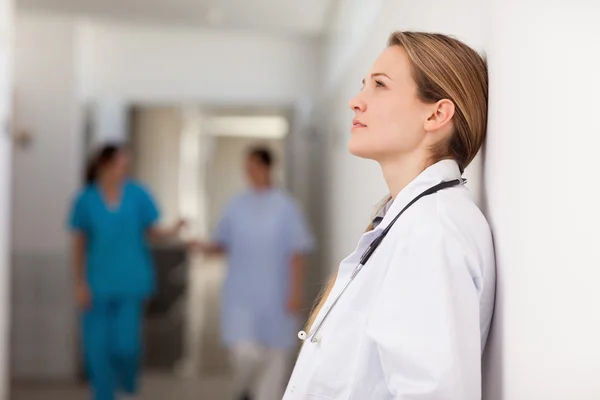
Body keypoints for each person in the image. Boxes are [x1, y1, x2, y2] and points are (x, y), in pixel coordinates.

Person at [284, 31, 495, 399]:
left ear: (437, 113)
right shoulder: (412, 219)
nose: (355, 101)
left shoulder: (433, 229)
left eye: (379, 85)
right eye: (363, 85)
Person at [193, 146, 314, 400]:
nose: (248, 172)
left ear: (267, 167)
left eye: (253, 166)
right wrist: (200, 246)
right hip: (241, 292)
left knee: (275, 359)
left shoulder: (286, 207)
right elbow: (222, 243)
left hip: (277, 292)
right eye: (246, 167)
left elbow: (297, 252)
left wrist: (295, 292)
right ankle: (243, 389)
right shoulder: (236, 205)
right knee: (244, 351)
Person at [68, 144, 184, 400]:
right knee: (98, 349)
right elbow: (79, 243)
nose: (124, 170)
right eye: (120, 164)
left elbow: (152, 230)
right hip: (96, 285)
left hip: (131, 283)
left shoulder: (137, 194)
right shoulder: (85, 200)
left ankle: (128, 388)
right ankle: (103, 395)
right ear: (103, 165)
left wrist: (174, 230)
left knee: (126, 347)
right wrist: (79, 283)